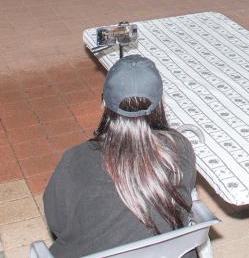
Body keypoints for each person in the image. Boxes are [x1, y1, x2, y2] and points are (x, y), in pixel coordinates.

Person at [43, 55, 196, 258]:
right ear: (160, 103)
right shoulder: (180, 148)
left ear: (105, 103)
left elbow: (57, 223)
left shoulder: (75, 161)